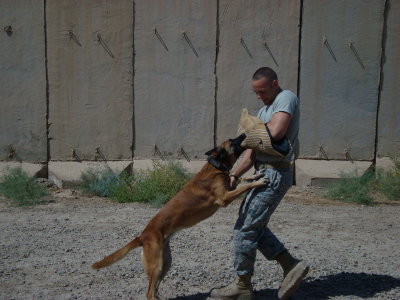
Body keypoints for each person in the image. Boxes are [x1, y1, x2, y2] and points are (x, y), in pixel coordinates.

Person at [210, 67, 309, 300]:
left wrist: (248, 134)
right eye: (255, 92)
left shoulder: (286, 98)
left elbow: (275, 132)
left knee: (245, 229)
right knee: (253, 225)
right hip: (262, 173)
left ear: (275, 83)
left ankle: (242, 285)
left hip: (275, 173)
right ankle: (290, 265)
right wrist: (234, 175)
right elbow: (252, 153)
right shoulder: (264, 110)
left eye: (262, 91)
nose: (259, 96)